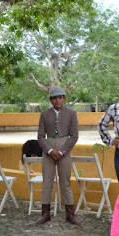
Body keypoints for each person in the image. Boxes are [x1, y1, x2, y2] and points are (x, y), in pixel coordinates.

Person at [36, 87, 80, 225]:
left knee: (65, 182)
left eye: (60, 97)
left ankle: (70, 215)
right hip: (48, 149)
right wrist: (49, 150)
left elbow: (74, 136)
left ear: (64, 98)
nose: (57, 100)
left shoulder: (72, 114)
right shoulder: (44, 114)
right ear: (51, 100)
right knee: (47, 182)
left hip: (64, 148)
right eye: (54, 98)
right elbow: (40, 136)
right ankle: (45, 214)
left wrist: (62, 151)